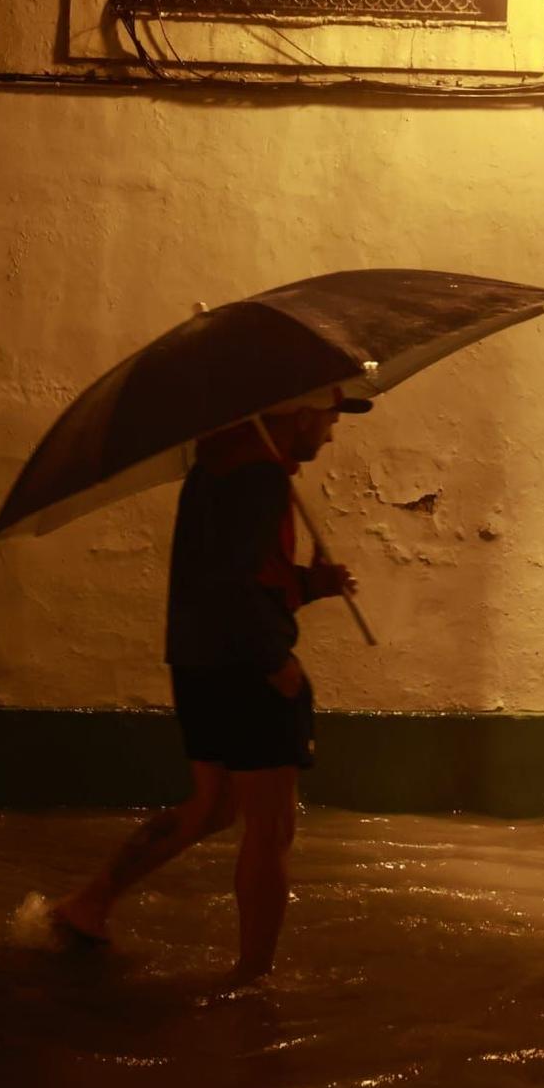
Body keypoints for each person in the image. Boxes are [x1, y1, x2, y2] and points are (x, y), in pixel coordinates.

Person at [49, 386, 368, 983]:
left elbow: (228, 575)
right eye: (329, 416)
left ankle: (90, 903)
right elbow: (233, 586)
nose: (332, 430)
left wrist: (309, 584)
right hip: (246, 668)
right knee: (273, 828)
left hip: (199, 664)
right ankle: (251, 981)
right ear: (299, 414)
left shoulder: (215, 471)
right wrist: (275, 661)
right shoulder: (260, 480)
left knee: (212, 805)